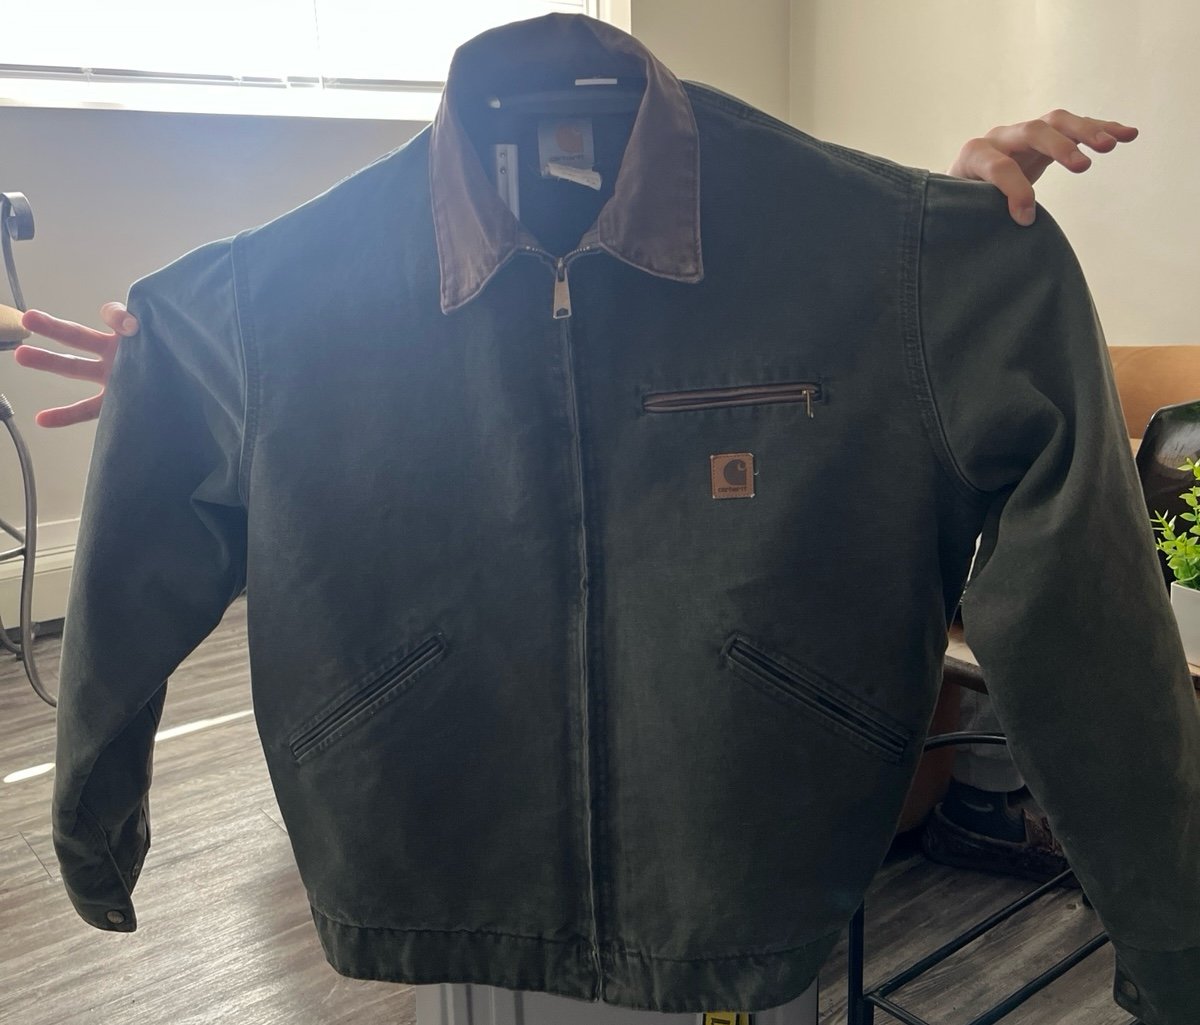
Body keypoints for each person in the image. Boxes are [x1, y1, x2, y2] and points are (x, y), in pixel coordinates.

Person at [11, 107, 1138, 884]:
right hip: (432, 852)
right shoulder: (290, 287)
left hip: (752, 862)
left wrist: (953, 255)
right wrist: (205, 380)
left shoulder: (854, 245)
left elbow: (1076, 612)